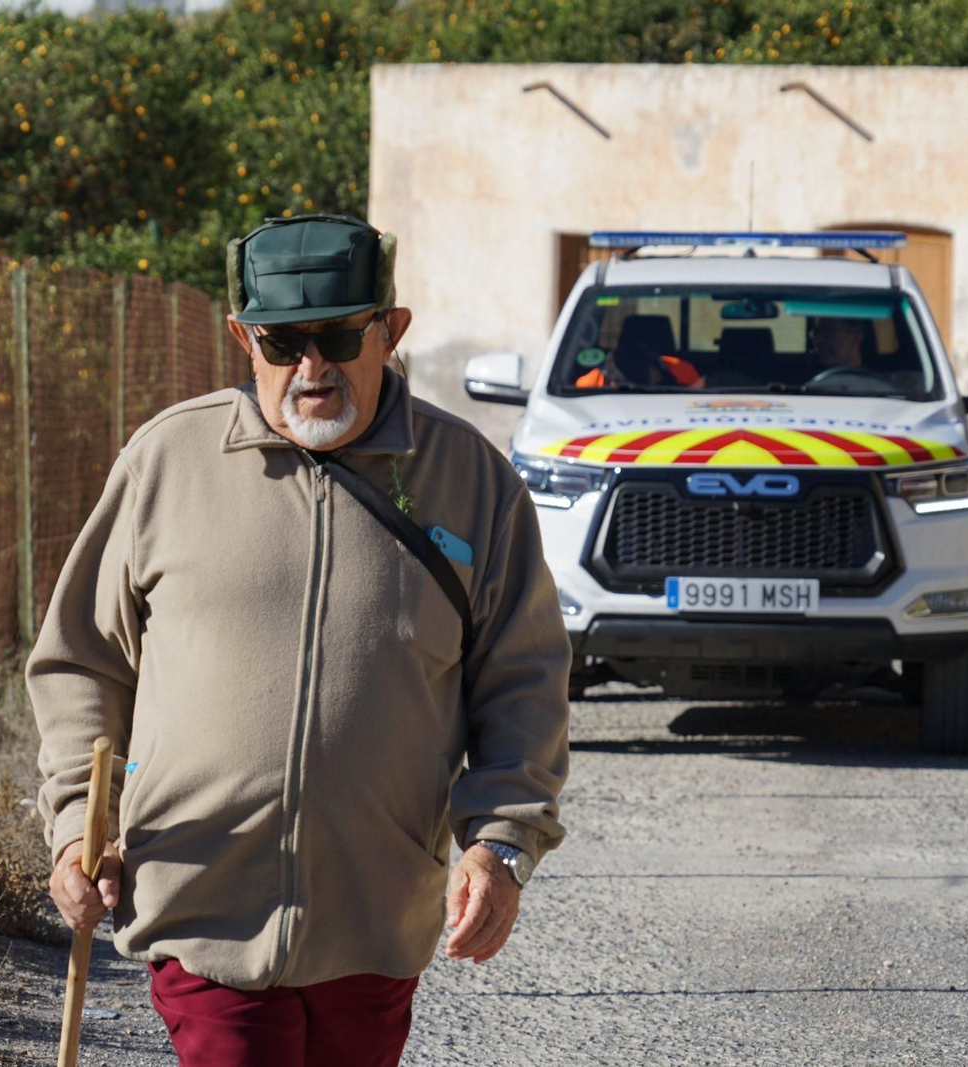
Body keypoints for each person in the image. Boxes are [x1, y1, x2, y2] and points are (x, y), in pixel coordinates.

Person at [28, 213, 572, 1066]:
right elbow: (79, 661)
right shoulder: (167, 459)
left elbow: (525, 680)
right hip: (202, 900)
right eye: (284, 345)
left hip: (377, 912)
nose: (311, 368)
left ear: (389, 332)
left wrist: (500, 844)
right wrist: (75, 824)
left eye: (337, 337)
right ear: (245, 339)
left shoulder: (471, 480)